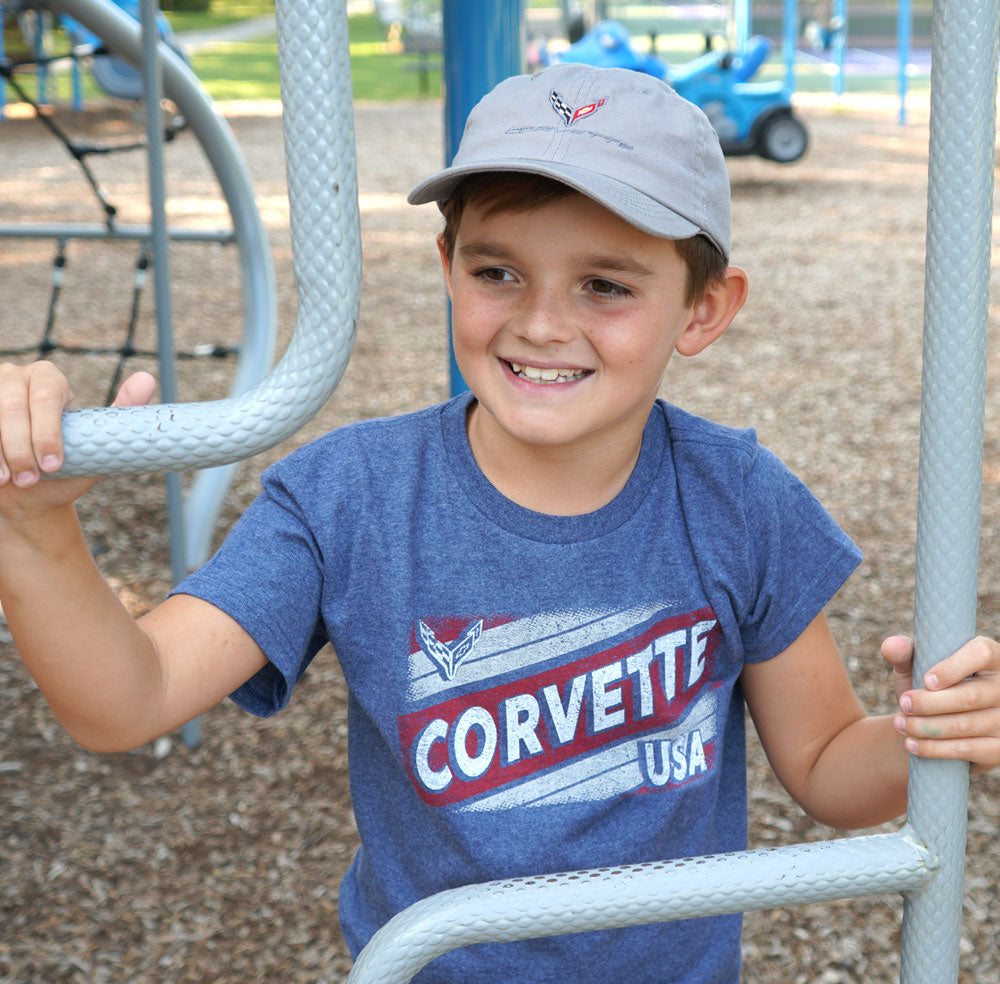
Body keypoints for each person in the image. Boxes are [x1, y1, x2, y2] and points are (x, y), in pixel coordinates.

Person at [1, 63, 999, 984]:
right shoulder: (348, 498)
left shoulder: (738, 501)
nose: (539, 322)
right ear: (446, 266)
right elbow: (125, 699)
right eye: (497, 272)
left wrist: (933, 733)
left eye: (604, 285)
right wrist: (37, 535)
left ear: (703, 309)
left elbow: (827, 770)